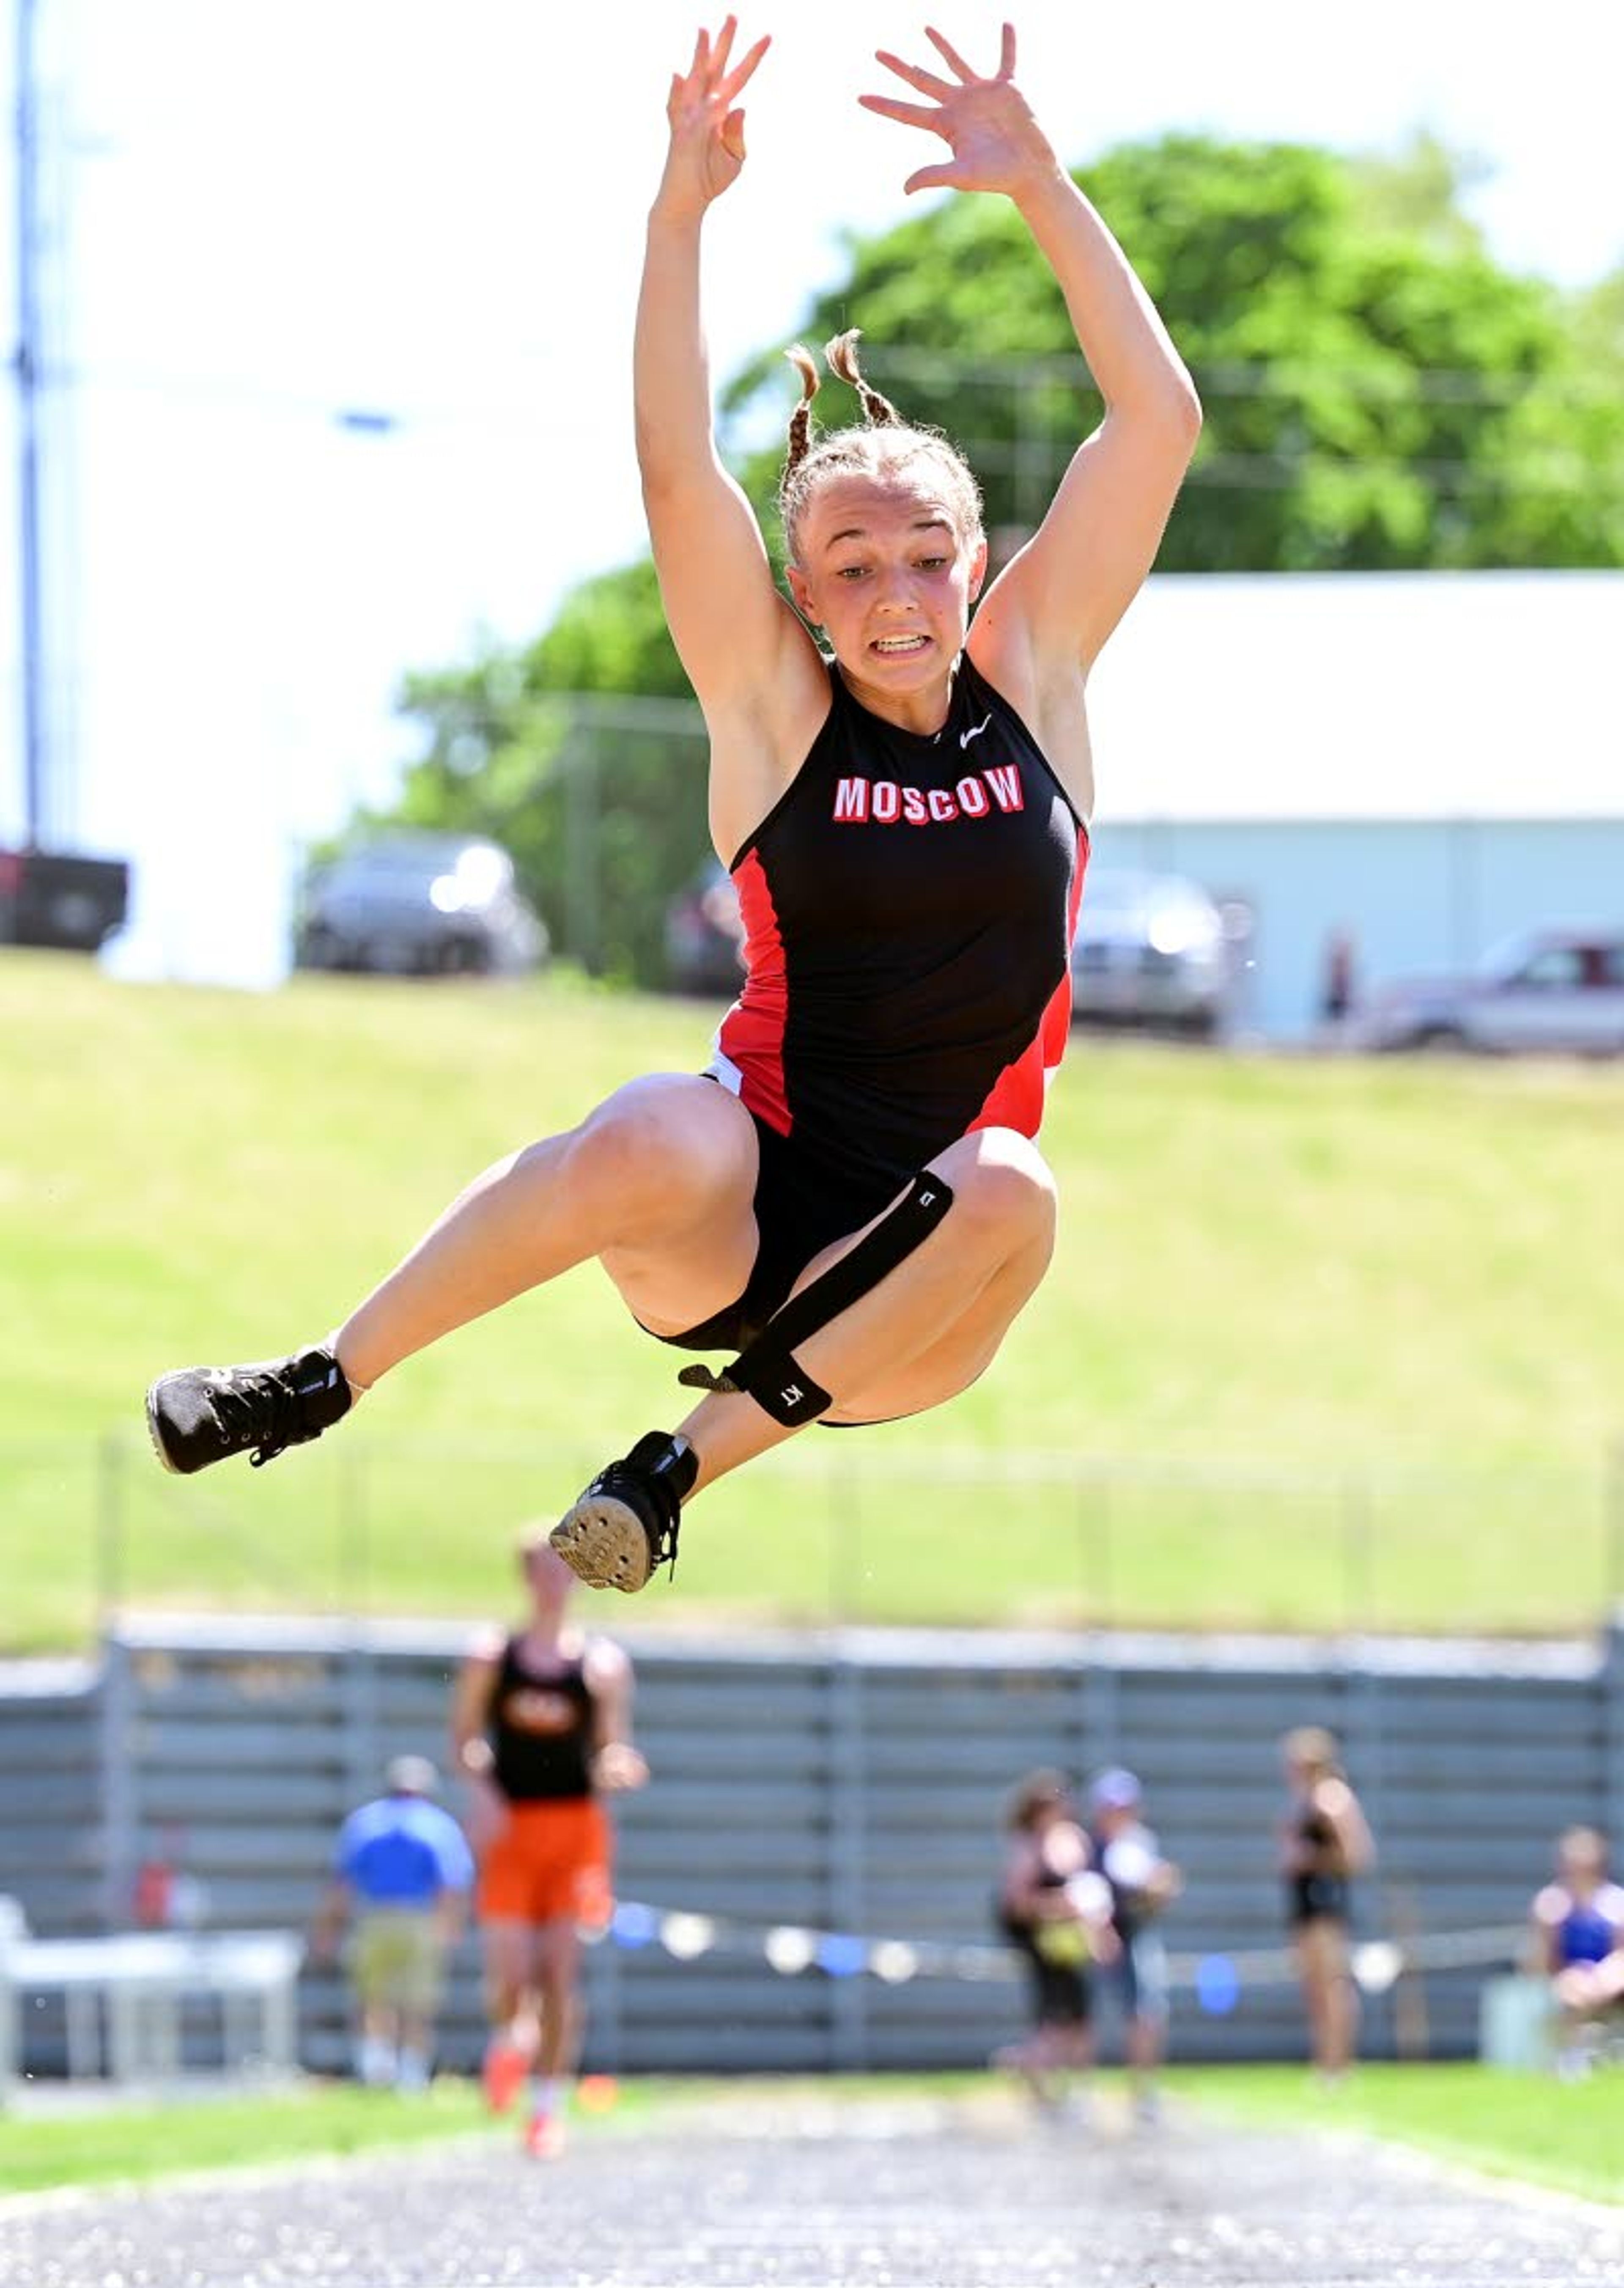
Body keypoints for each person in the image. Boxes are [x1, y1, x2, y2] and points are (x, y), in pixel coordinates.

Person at [143, 20, 1200, 1598]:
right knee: (647, 1122)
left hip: (908, 1293)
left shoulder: (1033, 680)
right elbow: (669, 466)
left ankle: (666, 1475)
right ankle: (319, 1376)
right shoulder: (777, 719)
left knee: (1014, 1181)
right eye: (851, 565)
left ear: (976, 567)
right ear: (805, 595)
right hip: (739, 1220)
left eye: (925, 554)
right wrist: (679, 213)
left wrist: (1042, 182)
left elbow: (1157, 422)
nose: (896, 589)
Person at [449, 1529, 647, 2158]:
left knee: (560, 1972)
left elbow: (612, 1742)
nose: (553, 1582)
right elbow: (465, 1739)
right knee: (512, 1979)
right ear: (526, 1578)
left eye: (564, 1570)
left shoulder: (602, 1665)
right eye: (542, 1570)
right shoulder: (492, 1656)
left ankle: (546, 2109)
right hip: (513, 1831)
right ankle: (511, 2039)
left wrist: (619, 1764)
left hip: (576, 1831)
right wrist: (482, 1790)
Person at [307, 1753, 474, 2092]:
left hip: (374, 1918)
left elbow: (342, 1886)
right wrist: (450, 1927)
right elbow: (452, 1886)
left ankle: (376, 2069)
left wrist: (327, 1929)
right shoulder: (439, 1824)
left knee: (372, 1998)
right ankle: (411, 2077)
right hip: (421, 1919)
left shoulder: (365, 1821)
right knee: (417, 2004)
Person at [993, 1768, 1113, 2113]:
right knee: (1056, 2019)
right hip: (1048, 1946)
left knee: (1083, 2017)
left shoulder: (1073, 1840)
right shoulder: (1028, 1849)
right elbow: (1016, 1905)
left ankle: (1074, 2089)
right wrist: (1062, 1907)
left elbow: (1093, 1895)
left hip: (1077, 1943)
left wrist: (1099, 1929)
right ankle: (1036, 2075)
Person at [1278, 1725, 1375, 2084]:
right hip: (1304, 1899)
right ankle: (1324, 2062)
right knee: (1314, 1986)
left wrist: (1312, 1859)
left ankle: (1341, 2063)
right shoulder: (1303, 1801)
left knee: (1333, 1983)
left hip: (1325, 1897)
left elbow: (1356, 1855)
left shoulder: (1332, 1799)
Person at [1087, 1765, 1182, 2124]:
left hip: (1137, 1936)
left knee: (1147, 2012)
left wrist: (1159, 1888)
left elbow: (1157, 1890)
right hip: (1101, 1940)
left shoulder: (1139, 1843)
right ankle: (1083, 2089)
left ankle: (1144, 2089)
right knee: (1081, 2016)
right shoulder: (1093, 1848)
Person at [1530, 1826, 1624, 2077]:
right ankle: (1577, 2053)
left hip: (1609, 1978)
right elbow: (1546, 1958)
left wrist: (1600, 1978)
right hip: (1569, 1977)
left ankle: (1582, 2052)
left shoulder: (1615, 1902)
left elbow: (1621, 1954)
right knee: (1573, 1991)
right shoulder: (1553, 1902)